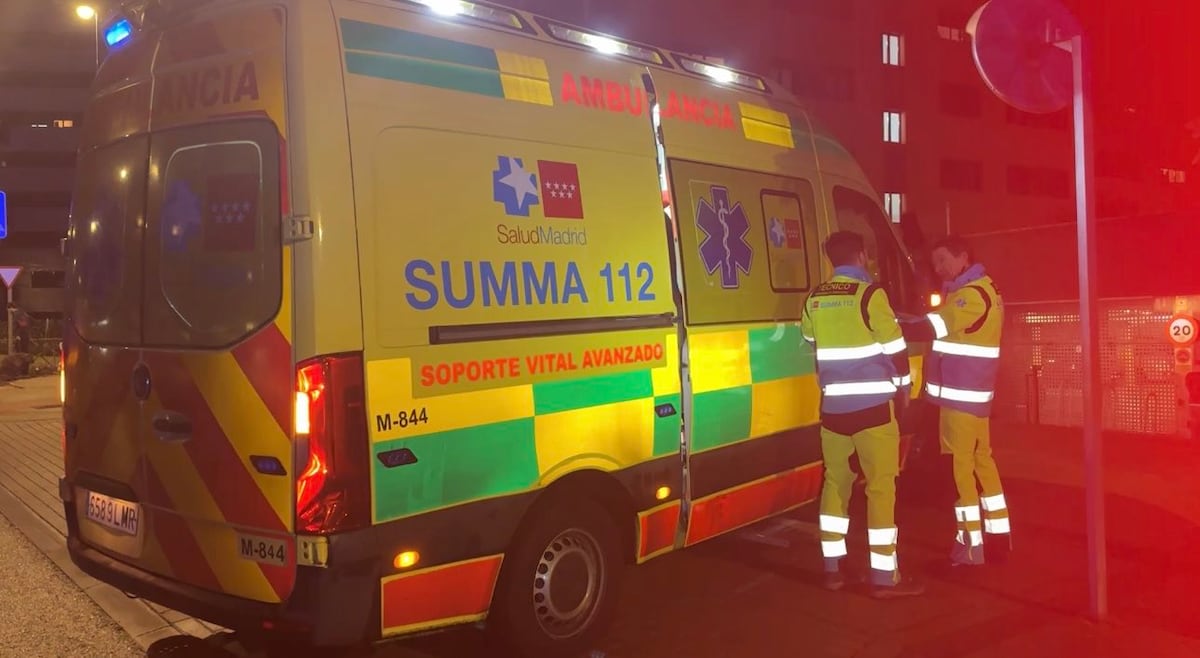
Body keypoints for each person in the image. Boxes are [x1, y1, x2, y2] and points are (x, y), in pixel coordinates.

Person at [800, 230, 924, 598]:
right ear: (861, 256)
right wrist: (904, 387)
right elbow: (895, 347)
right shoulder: (870, 295)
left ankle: (833, 569)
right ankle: (884, 578)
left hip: (833, 411)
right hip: (873, 410)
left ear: (831, 260)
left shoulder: (815, 298)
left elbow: (809, 338)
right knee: (880, 488)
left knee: (835, 484)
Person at [899, 234, 1010, 566]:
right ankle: (998, 539)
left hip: (960, 400)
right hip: (972, 398)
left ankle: (969, 547)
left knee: (960, 471)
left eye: (943, 260)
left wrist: (889, 325)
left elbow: (933, 328)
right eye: (935, 262)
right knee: (982, 462)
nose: (938, 268)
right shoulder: (982, 291)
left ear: (963, 257)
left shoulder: (971, 296)